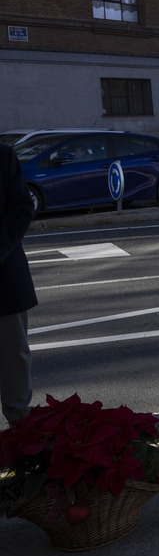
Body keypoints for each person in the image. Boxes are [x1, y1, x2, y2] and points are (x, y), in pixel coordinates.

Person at [0, 143, 36, 424]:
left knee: (13, 358)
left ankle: (20, 436)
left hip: (3, 278)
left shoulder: (2, 155)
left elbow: (22, 207)